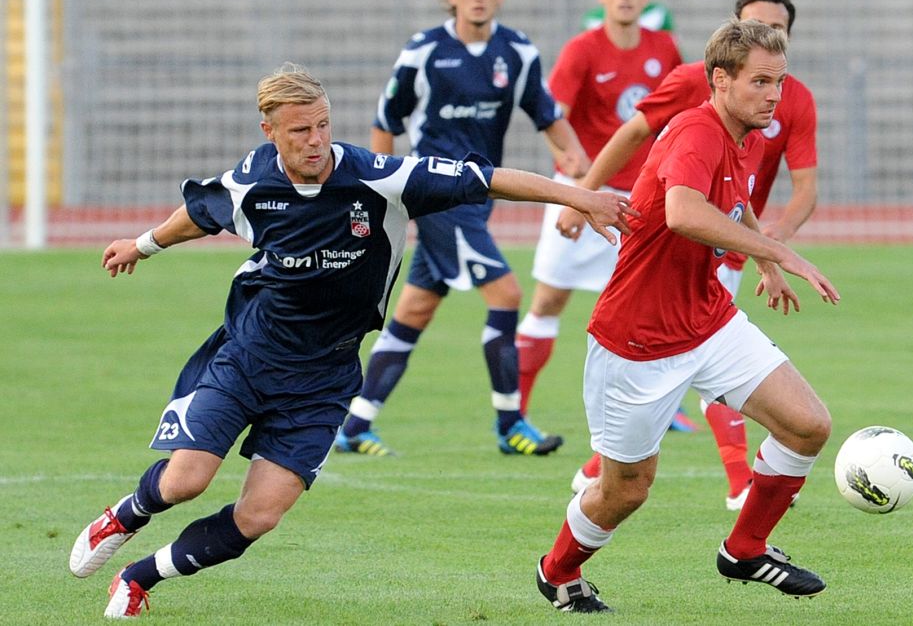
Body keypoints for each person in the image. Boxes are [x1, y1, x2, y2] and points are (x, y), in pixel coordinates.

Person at [67, 62, 635, 618]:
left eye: (323, 126)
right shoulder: (252, 181)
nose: (316, 141)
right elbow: (199, 214)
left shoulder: (376, 176)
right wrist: (141, 245)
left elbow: (483, 179)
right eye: (300, 131)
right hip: (248, 355)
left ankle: (140, 577)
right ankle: (123, 517)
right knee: (186, 480)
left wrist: (579, 196)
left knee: (259, 517)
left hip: (325, 376)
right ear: (270, 132)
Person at [534, 18, 840, 613]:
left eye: (779, 81)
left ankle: (746, 548)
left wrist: (764, 263)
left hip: (709, 320)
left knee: (807, 424)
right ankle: (558, 570)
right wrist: (778, 250)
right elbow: (682, 212)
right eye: (760, 82)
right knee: (625, 491)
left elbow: (738, 198)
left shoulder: (743, 134)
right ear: (720, 80)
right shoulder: (696, 131)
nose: (774, 94)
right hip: (637, 342)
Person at [567, 0, 819, 510]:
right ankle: (604, 485)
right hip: (663, 261)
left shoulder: (767, 108)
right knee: (630, 480)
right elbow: (642, 146)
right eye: (759, 31)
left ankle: (740, 518)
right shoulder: (695, 98)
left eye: (779, 37)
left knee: (797, 415)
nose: (772, 88)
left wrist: (765, 252)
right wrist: (581, 195)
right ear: (724, 70)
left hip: (719, 262)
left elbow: (746, 188)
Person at [334, 0, 590, 457]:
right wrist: (379, 186)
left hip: (477, 197)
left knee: (415, 308)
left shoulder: (516, 52)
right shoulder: (424, 50)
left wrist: (574, 163)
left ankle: (355, 424)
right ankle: (510, 425)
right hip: (434, 193)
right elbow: (386, 120)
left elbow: (547, 115)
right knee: (507, 294)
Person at [515, 0, 686, 422]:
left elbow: (678, 114)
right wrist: (573, 174)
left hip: (641, 200)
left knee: (653, 305)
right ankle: (515, 411)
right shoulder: (582, 50)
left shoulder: (664, 47)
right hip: (585, 192)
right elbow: (553, 115)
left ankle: (665, 408)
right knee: (549, 300)